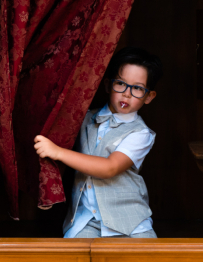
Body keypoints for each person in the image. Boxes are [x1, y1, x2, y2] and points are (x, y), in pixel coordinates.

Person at [34, 47, 162, 238]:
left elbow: (109, 168)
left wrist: (58, 152)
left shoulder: (141, 133)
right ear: (108, 85)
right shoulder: (84, 118)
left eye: (137, 88)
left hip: (130, 221)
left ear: (149, 96)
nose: (127, 94)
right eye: (121, 84)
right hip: (85, 220)